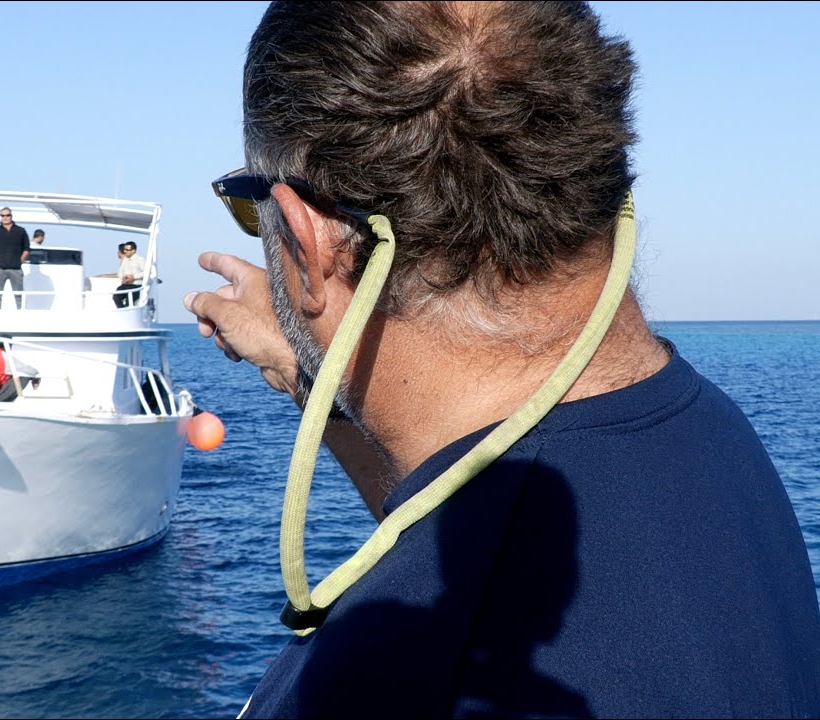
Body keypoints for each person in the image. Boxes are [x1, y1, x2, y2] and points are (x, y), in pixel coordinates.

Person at [183, 2, 820, 718]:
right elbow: (459, 517)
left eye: (252, 211)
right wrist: (309, 378)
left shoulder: (382, 688)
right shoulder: (705, 434)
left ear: (312, 242)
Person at [0, 207, 30, 309]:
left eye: (7, 215)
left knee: (18, 295)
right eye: (3, 215)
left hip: (16, 268)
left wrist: (20, 261)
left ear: (11, 216)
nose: (5, 217)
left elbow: (26, 249)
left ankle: (20, 315)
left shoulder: (21, 231)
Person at [112, 240, 147, 308]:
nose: (125, 251)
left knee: (129, 301)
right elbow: (120, 273)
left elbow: (146, 272)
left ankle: (125, 311)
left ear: (133, 251)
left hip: (136, 285)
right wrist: (124, 277)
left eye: (127, 250)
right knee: (116, 297)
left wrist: (134, 277)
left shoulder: (140, 259)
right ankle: (123, 311)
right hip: (125, 284)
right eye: (124, 250)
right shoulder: (125, 260)